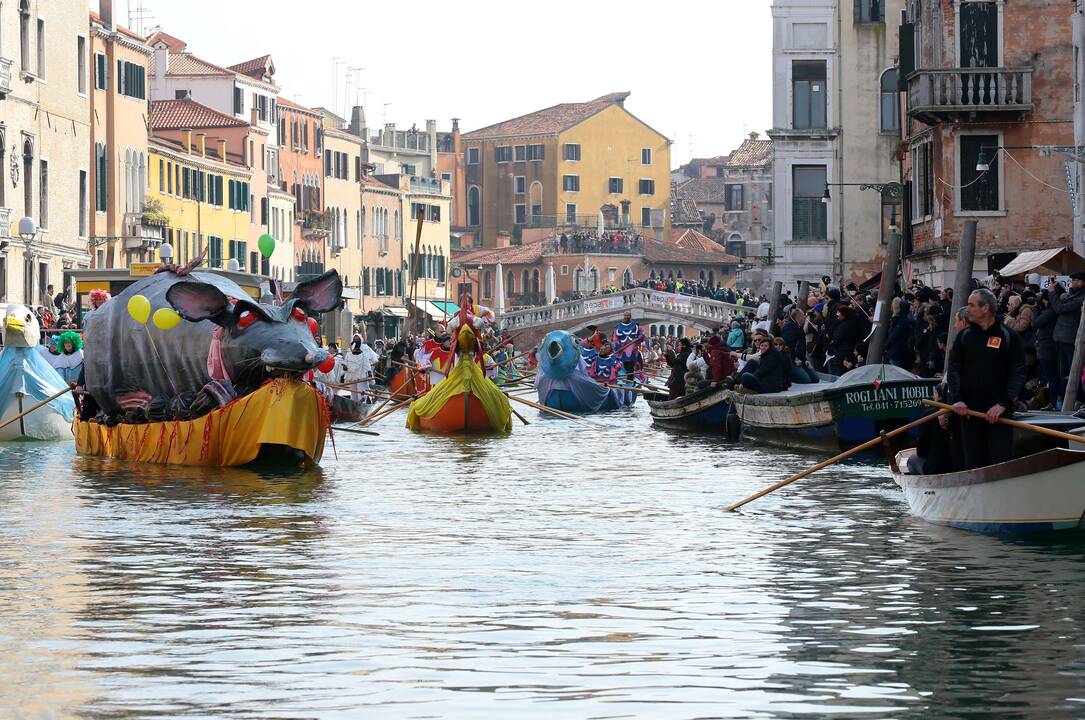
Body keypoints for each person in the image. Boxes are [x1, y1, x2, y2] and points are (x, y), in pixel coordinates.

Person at [946, 288, 1027, 470]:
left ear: (986, 309)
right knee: (974, 463)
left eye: (971, 305)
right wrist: (957, 399)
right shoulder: (964, 337)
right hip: (969, 412)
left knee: (1000, 464)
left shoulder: (1008, 336)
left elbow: (1018, 372)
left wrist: (1003, 404)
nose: (967, 309)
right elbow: (953, 370)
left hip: (999, 414)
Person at [1052, 271, 1085, 403]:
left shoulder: (1082, 297)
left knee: (1072, 373)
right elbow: (1065, 297)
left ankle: (1076, 400)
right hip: (1062, 338)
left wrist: (1052, 293)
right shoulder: (1074, 294)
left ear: (1082, 282)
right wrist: (1057, 287)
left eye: (1075, 280)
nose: (1072, 282)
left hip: (1070, 339)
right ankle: (1066, 399)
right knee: (1063, 372)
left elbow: (1061, 308)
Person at [342, 334, 380, 403]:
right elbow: (345, 364)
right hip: (352, 377)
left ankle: (363, 402)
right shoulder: (349, 354)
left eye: (358, 340)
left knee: (361, 392)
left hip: (361, 377)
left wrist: (369, 374)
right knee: (353, 393)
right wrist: (345, 367)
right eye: (355, 339)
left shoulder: (364, 354)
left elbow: (367, 366)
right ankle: (354, 405)